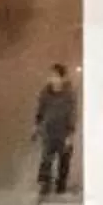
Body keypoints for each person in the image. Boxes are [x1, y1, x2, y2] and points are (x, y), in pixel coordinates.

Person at [35, 62, 77, 197]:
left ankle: (61, 187)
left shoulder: (69, 95)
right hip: (49, 131)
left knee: (64, 160)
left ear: (62, 78)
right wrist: (36, 126)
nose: (52, 79)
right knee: (46, 159)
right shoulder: (45, 93)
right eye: (51, 76)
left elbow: (72, 114)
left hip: (63, 132)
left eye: (55, 76)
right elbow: (40, 111)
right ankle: (44, 185)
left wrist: (70, 134)